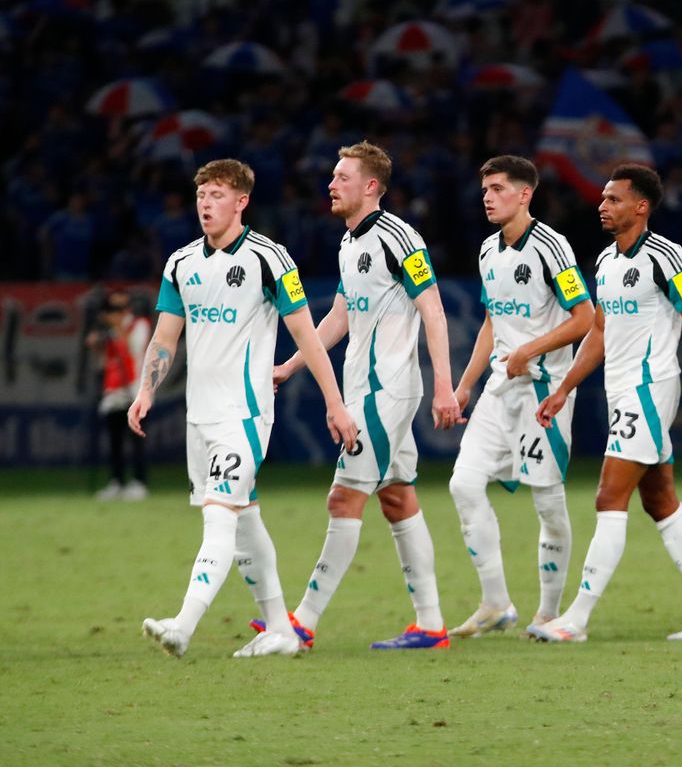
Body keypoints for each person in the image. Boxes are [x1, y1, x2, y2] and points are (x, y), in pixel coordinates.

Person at [132, 159, 357, 658]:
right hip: (199, 417)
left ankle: (183, 625)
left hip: (245, 414)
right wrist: (147, 389)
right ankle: (281, 629)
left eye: (216, 196)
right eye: (201, 196)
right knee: (245, 521)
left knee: (220, 518)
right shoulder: (181, 262)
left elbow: (307, 336)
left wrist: (335, 404)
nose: (205, 205)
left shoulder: (270, 259)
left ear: (241, 202)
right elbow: (166, 336)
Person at [527, 164, 682, 642]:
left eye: (613, 199)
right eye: (603, 200)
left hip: (648, 388)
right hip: (622, 390)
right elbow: (600, 332)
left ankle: (576, 619)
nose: (602, 207)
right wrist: (564, 388)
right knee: (660, 500)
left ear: (641, 206)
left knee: (609, 496)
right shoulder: (605, 262)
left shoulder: (668, 258)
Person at [261, 141, 459, 650]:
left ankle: (302, 621)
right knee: (397, 497)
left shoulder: (398, 237)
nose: (331, 184)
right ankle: (431, 624)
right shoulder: (350, 244)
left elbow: (433, 311)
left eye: (342, 177)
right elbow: (340, 318)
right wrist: (290, 365)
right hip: (366, 388)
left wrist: (443, 386)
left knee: (343, 496)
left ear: (371, 186)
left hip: (385, 391)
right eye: (332, 176)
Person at [446, 155, 594, 638]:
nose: (487, 196)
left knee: (548, 504)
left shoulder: (552, 247)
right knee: (463, 485)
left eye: (498, 188)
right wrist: (465, 385)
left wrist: (529, 349)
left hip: (543, 392)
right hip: (498, 389)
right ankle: (495, 603)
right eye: (484, 188)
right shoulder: (489, 250)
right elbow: (493, 322)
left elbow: (584, 318)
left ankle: (549, 611)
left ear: (525, 193)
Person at [88, 291, 151, 501]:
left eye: (120, 308)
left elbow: (134, 349)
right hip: (113, 391)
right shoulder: (108, 331)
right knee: (115, 440)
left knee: (137, 439)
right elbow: (101, 356)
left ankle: (140, 482)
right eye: (112, 309)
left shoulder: (139, 325)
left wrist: (116, 327)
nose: (116, 313)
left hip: (136, 391)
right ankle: (117, 481)